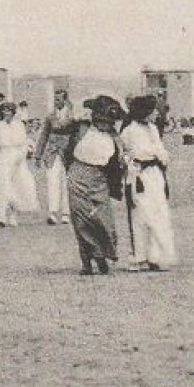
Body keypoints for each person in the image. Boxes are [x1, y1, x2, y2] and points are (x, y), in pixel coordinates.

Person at [65, 97, 126, 274]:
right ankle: (86, 262)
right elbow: (59, 127)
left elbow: (119, 162)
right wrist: (75, 118)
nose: (106, 126)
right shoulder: (82, 128)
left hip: (100, 179)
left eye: (109, 123)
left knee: (102, 220)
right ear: (96, 119)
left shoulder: (114, 138)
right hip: (78, 175)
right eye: (103, 122)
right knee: (81, 220)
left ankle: (101, 255)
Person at [121, 95, 177, 271]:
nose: (155, 114)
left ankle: (156, 256)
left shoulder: (153, 129)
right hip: (139, 176)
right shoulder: (129, 131)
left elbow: (160, 151)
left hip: (155, 175)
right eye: (152, 111)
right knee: (140, 215)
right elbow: (128, 153)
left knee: (158, 213)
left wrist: (161, 157)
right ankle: (139, 257)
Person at [0, 101, 39, 227]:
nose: (5, 113)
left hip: (16, 158)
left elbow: (23, 144)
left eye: (8, 110)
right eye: (4, 110)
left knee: (15, 187)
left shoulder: (19, 125)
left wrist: (21, 158)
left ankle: (13, 215)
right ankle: (2, 216)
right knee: (2, 186)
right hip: (3, 157)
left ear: (13, 112)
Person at [32, 92, 76, 224]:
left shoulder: (73, 116)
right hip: (52, 153)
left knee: (66, 182)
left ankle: (66, 213)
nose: (56, 102)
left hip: (68, 153)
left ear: (65, 100)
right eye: (54, 100)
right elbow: (43, 136)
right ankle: (52, 212)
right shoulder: (50, 117)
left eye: (58, 99)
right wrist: (38, 155)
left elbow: (77, 135)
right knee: (52, 181)